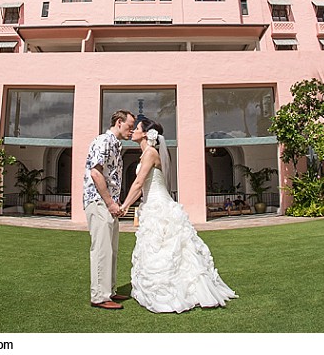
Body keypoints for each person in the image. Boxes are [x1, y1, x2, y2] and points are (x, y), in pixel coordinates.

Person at [120, 116, 237, 313]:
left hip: (160, 206)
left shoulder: (150, 153)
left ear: (146, 134)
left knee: (168, 249)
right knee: (157, 248)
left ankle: (173, 292)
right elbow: (142, 187)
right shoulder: (146, 154)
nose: (133, 131)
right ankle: (156, 288)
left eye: (137, 128)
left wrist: (124, 206)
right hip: (151, 205)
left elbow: (139, 184)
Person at [83, 109, 135, 310]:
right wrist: (110, 202)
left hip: (108, 204)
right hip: (99, 202)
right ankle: (99, 296)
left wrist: (115, 203)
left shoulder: (115, 144)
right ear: (119, 122)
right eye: (130, 126)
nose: (131, 131)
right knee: (102, 249)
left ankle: (109, 291)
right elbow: (96, 173)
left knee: (111, 249)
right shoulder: (104, 141)